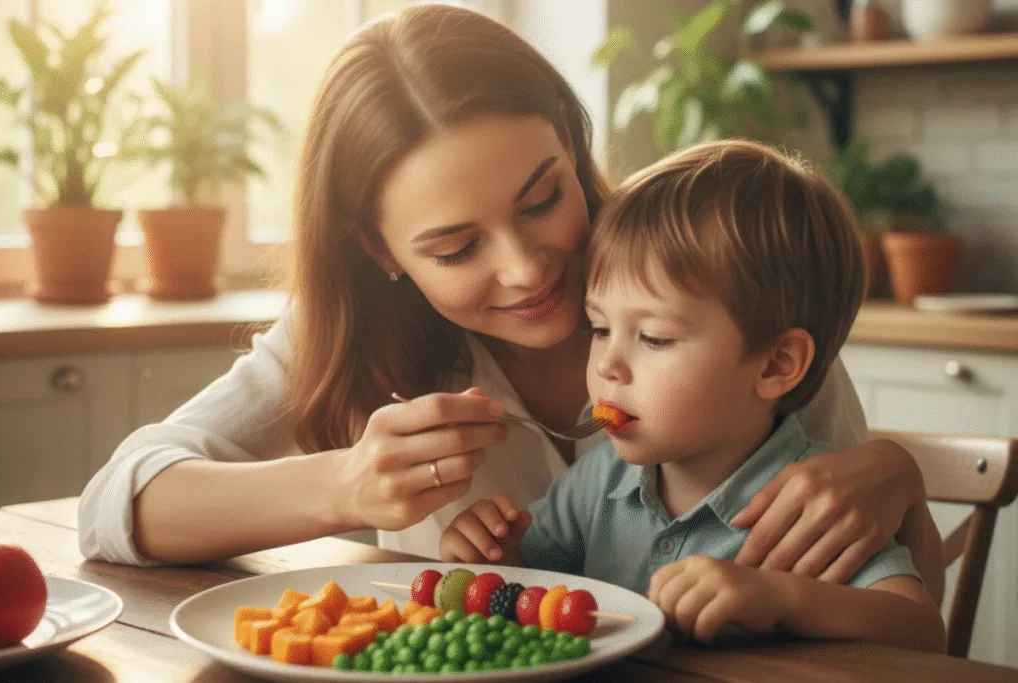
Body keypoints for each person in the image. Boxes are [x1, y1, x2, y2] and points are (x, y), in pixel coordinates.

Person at [77, 5, 942, 604]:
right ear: (379, 251)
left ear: (570, 140)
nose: (528, 268)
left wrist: (899, 480)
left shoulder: (707, 286)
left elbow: (901, 615)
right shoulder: (358, 338)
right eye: (455, 248)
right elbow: (116, 500)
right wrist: (344, 485)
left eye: (542, 198)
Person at [438, 140, 946, 652]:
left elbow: (923, 631)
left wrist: (784, 597)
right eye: (598, 328)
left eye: (654, 338)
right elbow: (532, 592)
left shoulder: (809, 505)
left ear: (776, 364)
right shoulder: (598, 484)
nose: (607, 366)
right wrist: (497, 558)